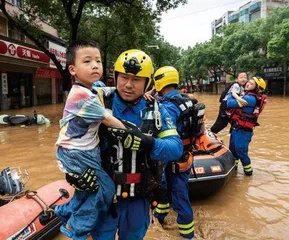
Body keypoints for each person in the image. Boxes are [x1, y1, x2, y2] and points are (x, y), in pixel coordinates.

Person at [61, 49, 183, 239]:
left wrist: (147, 143)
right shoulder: (97, 98)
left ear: (147, 82)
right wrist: (73, 175)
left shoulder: (157, 110)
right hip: (102, 198)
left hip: (138, 200)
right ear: (115, 76)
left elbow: (175, 148)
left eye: (136, 79)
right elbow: (69, 140)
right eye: (124, 77)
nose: (128, 85)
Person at [54, 40, 126, 240]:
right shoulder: (82, 96)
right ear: (72, 69)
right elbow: (109, 119)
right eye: (87, 61)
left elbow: (107, 91)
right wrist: (135, 135)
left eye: (98, 61)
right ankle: (76, 228)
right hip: (76, 153)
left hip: (86, 150)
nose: (95, 65)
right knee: (105, 188)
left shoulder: (92, 88)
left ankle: (64, 211)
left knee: (87, 189)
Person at [151, 66, 204, 239]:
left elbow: (164, 132)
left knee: (179, 199)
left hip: (173, 159)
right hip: (185, 155)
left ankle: (187, 235)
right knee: (164, 189)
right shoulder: (186, 100)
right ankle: (160, 217)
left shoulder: (168, 106)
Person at [226, 76, 267, 176]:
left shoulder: (250, 99)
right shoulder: (245, 95)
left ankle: (248, 173)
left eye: (251, 84)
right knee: (233, 150)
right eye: (249, 82)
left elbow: (229, 103)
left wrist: (233, 93)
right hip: (236, 128)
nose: (248, 84)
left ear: (257, 88)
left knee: (241, 151)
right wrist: (236, 95)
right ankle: (234, 170)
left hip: (244, 131)